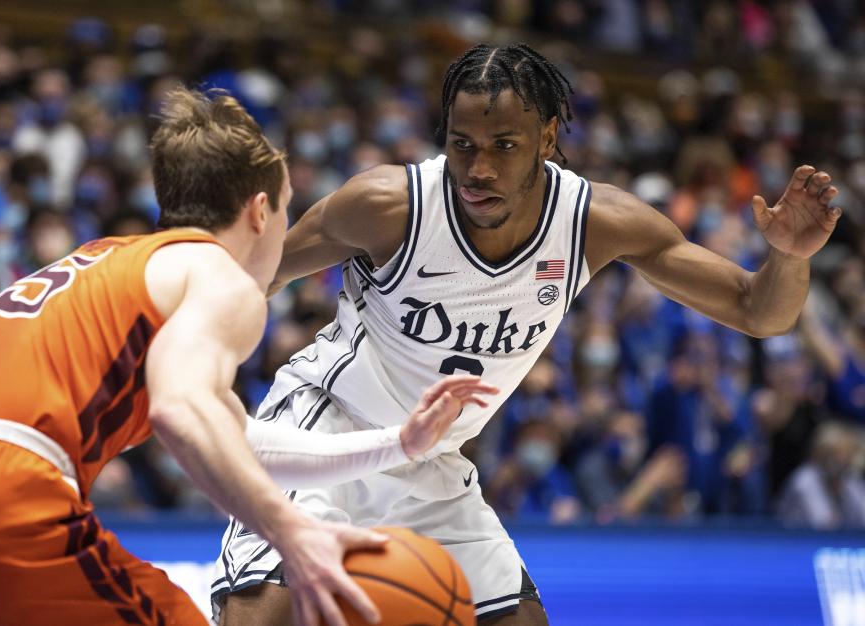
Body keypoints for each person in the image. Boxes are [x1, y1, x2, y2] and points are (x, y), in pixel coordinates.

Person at [215, 43, 843, 626]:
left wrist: (788, 257)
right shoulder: (390, 205)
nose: (478, 169)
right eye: (463, 145)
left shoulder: (594, 222)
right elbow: (249, 283)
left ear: (546, 137)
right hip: (328, 426)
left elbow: (759, 312)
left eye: (503, 146)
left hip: (430, 458)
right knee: (262, 612)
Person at [0, 87, 496, 626]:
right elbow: (180, 408)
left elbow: (241, 444)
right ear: (260, 211)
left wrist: (396, 445)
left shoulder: (113, 258)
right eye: (289, 208)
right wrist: (291, 531)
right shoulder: (222, 279)